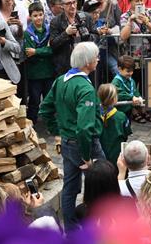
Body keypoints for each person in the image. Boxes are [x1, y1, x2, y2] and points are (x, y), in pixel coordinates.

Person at [39, 41, 105, 229]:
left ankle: (71, 228)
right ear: (87, 62)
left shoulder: (61, 80)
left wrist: (57, 132)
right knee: (101, 184)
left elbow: (45, 109)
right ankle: (97, 227)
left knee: (69, 187)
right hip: (85, 145)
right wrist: (86, 156)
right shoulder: (85, 88)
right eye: (96, 57)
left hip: (68, 142)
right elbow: (85, 128)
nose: (98, 60)